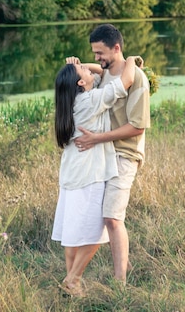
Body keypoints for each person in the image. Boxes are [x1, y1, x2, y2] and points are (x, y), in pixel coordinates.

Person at [51, 55, 138, 297]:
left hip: (70, 175)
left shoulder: (72, 102)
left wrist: (77, 67)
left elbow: (98, 74)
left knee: (73, 235)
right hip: (89, 175)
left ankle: (73, 288)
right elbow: (126, 80)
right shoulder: (91, 100)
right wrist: (130, 58)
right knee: (94, 233)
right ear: (81, 84)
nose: (90, 70)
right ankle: (72, 280)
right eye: (83, 70)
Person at [72, 23, 151, 285]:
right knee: (104, 216)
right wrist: (78, 64)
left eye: (100, 53)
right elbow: (96, 69)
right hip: (105, 154)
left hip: (125, 154)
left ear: (116, 48)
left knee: (112, 218)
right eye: (94, 53)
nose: (97, 58)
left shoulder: (136, 78)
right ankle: (123, 263)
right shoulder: (107, 71)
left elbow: (137, 126)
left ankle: (120, 284)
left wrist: (96, 138)